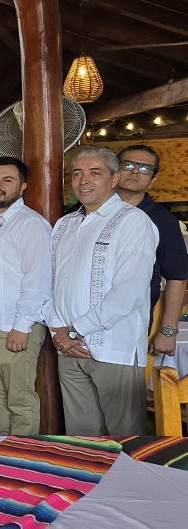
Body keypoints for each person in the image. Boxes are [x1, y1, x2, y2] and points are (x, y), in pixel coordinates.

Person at [48, 147, 157, 436]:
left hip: (113, 348)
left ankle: (131, 484)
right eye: (77, 174)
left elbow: (129, 292)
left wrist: (74, 331)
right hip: (68, 348)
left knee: (126, 439)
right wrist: (58, 332)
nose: (84, 181)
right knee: (82, 438)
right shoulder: (64, 224)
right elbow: (52, 283)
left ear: (114, 178)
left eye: (95, 173)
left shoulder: (133, 221)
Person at [0, 157, 52, 436]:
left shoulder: (30, 224)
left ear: (23, 186)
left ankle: (23, 464)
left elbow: (38, 280)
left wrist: (21, 326)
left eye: (7, 180)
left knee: (20, 400)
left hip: (13, 328)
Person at [115, 145, 188, 356]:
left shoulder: (163, 221)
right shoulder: (87, 211)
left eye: (145, 169)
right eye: (128, 165)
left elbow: (177, 277)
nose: (135, 171)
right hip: (79, 323)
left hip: (132, 324)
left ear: (153, 181)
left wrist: (168, 331)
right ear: (115, 171)